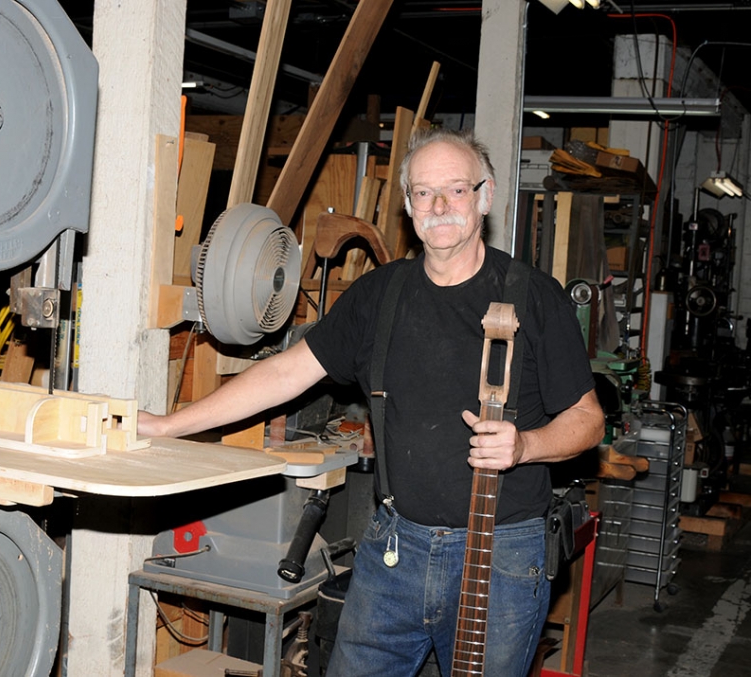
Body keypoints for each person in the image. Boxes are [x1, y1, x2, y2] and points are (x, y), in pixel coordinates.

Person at [138, 127, 604, 677]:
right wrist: (169, 425)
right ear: (407, 205)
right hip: (394, 547)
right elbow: (286, 372)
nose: (439, 206)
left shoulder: (532, 296)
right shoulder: (381, 295)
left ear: (486, 196)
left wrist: (526, 445)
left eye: (456, 189)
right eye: (424, 192)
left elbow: (588, 421)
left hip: (498, 555)